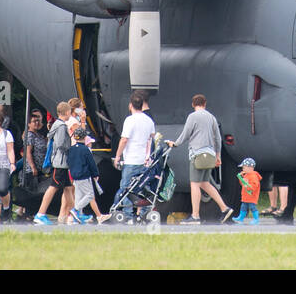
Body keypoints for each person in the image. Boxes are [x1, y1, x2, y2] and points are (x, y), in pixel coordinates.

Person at [166, 94, 235, 224]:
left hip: (197, 155)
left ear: (193, 104)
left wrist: (175, 143)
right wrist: (218, 156)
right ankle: (225, 208)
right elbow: (218, 139)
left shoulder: (193, 117)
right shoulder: (211, 117)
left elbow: (185, 133)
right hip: (209, 155)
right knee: (205, 183)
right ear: (205, 104)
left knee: (194, 185)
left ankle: (195, 216)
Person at [111, 91, 156, 218]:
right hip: (144, 160)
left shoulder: (129, 120)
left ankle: (127, 214)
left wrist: (118, 156)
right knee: (143, 187)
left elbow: (124, 139)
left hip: (131, 160)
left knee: (126, 188)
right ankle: (144, 213)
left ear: (131, 105)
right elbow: (152, 137)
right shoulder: (149, 121)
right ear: (142, 105)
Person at [34, 102, 74, 225]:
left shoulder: (56, 125)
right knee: (53, 187)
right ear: (67, 112)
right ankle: (40, 214)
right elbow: (61, 144)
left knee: (68, 188)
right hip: (61, 162)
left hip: (60, 162)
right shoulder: (61, 126)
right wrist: (71, 145)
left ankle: (75, 213)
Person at [67, 126, 105, 224]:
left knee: (79, 196)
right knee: (90, 194)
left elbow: (69, 162)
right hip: (84, 175)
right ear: (84, 137)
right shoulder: (85, 149)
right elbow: (91, 163)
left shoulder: (71, 149)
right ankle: (75, 210)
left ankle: (77, 217)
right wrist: (95, 173)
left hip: (74, 175)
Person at [233, 158, 262, 224]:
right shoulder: (246, 175)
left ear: (250, 167)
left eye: (244, 167)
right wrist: (241, 178)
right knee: (243, 207)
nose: (242, 169)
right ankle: (241, 218)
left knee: (252, 207)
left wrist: (248, 187)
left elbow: (255, 185)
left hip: (252, 196)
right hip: (246, 196)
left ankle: (256, 219)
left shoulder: (253, 176)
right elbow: (243, 184)